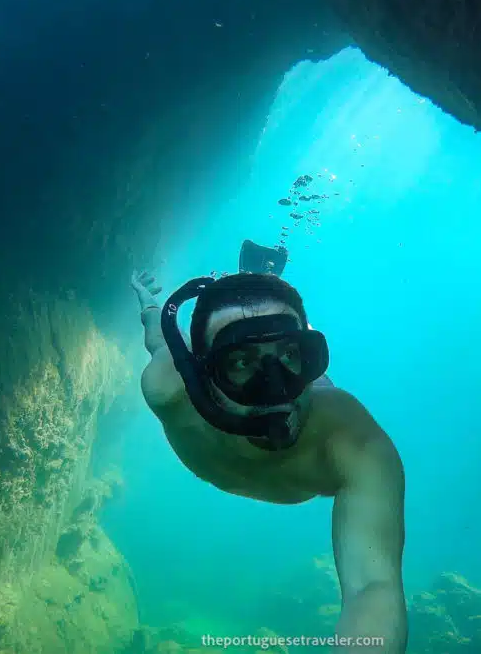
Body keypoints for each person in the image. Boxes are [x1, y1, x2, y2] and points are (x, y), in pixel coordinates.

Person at [130, 262, 407, 653]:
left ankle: (261, 294)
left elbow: (372, 587)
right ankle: (255, 286)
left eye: (292, 355)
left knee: (319, 391)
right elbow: (161, 341)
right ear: (201, 374)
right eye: (241, 363)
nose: (276, 390)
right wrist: (148, 303)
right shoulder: (169, 389)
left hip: (324, 400)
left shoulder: (349, 439)